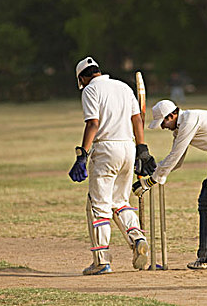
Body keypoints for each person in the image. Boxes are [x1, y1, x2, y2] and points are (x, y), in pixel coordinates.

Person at [133, 100, 207, 269]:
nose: (163, 127)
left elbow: (175, 155)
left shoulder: (189, 120)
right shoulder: (180, 128)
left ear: (172, 115)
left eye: (164, 122)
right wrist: (155, 170)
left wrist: (150, 181)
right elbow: (177, 161)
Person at [69, 56, 156, 275]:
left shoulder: (90, 91)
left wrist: (83, 154)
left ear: (82, 78)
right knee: (120, 202)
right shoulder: (124, 87)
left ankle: (101, 260)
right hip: (128, 148)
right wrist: (142, 148)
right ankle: (138, 239)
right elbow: (137, 119)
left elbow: (93, 123)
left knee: (99, 206)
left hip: (106, 149)